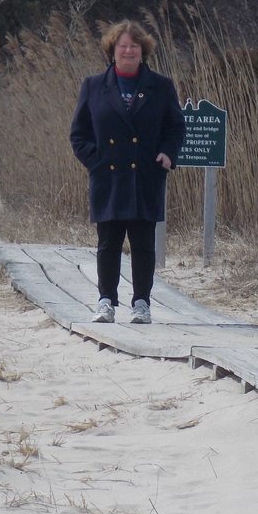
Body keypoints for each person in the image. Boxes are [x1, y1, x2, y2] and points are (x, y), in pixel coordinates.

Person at [70, 20, 186, 324]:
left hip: (145, 175)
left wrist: (168, 155)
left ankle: (142, 303)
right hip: (108, 177)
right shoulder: (93, 86)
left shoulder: (161, 86)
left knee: (143, 244)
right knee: (108, 243)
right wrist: (95, 161)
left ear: (143, 50)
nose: (128, 50)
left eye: (134, 45)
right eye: (122, 45)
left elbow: (176, 127)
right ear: (112, 50)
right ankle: (105, 301)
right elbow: (78, 134)